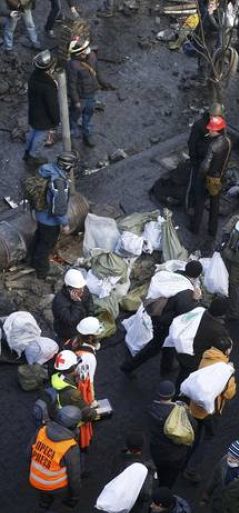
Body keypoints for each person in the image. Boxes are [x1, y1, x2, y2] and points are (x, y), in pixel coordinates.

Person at [121, 260, 203, 378]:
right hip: (165, 323)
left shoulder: (176, 275)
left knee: (167, 344)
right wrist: (195, 300)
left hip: (158, 318)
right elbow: (188, 313)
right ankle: (128, 367)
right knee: (155, 347)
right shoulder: (186, 294)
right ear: (197, 276)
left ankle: (166, 367)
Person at [184, 338, 236, 482]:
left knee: (194, 434)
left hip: (195, 406)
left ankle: (185, 458)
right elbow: (229, 393)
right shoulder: (225, 371)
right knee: (207, 439)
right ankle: (191, 469)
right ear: (226, 351)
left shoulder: (206, 357)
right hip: (210, 412)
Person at [27, 151, 77, 279]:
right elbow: (59, 208)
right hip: (50, 221)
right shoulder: (59, 182)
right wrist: (65, 224)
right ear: (67, 166)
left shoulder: (46, 170)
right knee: (46, 244)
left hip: (39, 213)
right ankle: (42, 271)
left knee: (38, 237)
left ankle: (30, 259)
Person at [29, 405, 82, 510]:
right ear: (74, 425)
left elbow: (28, 454)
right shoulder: (69, 446)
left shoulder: (42, 431)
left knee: (44, 491)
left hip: (34, 479)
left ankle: (44, 503)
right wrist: (75, 496)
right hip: (55, 486)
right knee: (64, 488)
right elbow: (74, 476)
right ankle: (66, 501)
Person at [147, 381, 196, 489]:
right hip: (175, 455)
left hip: (157, 451)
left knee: (161, 470)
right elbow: (192, 425)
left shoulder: (151, 408)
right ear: (172, 394)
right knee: (170, 478)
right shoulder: (179, 411)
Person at [66, 40, 113, 148]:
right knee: (73, 119)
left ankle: (87, 135)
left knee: (88, 116)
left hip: (91, 94)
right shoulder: (72, 65)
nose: (86, 53)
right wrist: (76, 101)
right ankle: (71, 139)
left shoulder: (92, 56)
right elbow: (71, 84)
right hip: (80, 97)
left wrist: (104, 83)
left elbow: (98, 72)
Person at [191, 115, 231, 237]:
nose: (209, 131)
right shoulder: (228, 141)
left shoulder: (212, 146)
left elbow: (204, 166)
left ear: (217, 130)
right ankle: (212, 230)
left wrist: (199, 177)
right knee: (215, 203)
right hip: (219, 177)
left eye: (211, 129)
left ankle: (195, 228)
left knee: (199, 202)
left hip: (207, 178)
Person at [176, 297, 230, 388]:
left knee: (182, 373)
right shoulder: (217, 330)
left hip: (182, 349)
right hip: (194, 358)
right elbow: (223, 347)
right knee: (186, 377)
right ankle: (178, 395)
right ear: (223, 314)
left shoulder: (198, 312)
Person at [68, 316, 102, 451]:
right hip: (78, 392)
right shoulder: (88, 358)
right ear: (90, 337)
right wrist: (92, 401)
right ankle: (82, 442)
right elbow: (88, 383)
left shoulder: (74, 341)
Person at [187, 103, 224, 210]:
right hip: (199, 160)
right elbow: (192, 143)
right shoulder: (199, 125)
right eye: (213, 116)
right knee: (194, 184)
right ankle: (191, 205)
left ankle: (202, 201)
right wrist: (193, 159)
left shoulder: (219, 124)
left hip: (211, 161)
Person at [25, 50, 58, 165]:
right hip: (44, 118)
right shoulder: (48, 86)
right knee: (40, 137)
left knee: (32, 133)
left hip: (33, 112)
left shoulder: (33, 77)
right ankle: (33, 156)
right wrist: (56, 120)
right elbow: (52, 105)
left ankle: (27, 152)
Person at [114, 432, 158, 513]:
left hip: (115, 502)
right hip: (131, 507)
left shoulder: (118, 459)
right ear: (142, 447)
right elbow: (145, 494)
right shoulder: (145, 468)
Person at [50, 350, 97, 422]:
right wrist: (94, 412)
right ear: (73, 367)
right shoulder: (74, 393)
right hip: (67, 417)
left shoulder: (55, 377)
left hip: (59, 407)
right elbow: (86, 413)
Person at [52, 269, 93, 343]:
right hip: (65, 333)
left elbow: (90, 307)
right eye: (78, 289)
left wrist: (87, 322)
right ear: (69, 289)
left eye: (82, 287)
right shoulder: (59, 301)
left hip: (81, 329)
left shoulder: (84, 290)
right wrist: (77, 302)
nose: (82, 291)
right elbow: (70, 320)